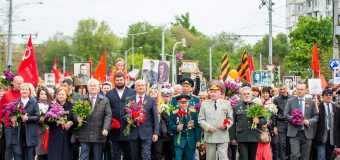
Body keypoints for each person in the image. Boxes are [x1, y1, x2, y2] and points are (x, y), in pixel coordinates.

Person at [75, 78, 112, 160]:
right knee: (84, 156)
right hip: (84, 133)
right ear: (87, 88)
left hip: (99, 133)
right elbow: (75, 112)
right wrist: (77, 118)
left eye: (94, 86)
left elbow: (108, 115)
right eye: (91, 86)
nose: (93, 87)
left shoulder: (105, 100)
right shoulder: (81, 99)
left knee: (97, 157)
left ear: (99, 87)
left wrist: (106, 128)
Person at [198, 80, 233, 160]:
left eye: (215, 92)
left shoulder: (226, 103)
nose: (212, 94)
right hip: (210, 135)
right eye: (211, 91)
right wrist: (208, 127)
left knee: (223, 157)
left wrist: (225, 125)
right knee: (211, 158)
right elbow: (201, 120)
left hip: (222, 135)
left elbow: (230, 119)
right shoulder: (204, 103)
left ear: (221, 93)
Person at [230, 87, 267, 160]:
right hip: (242, 136)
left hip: (254, 135)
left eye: (248, 94)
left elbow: (264, 120)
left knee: (252, 157)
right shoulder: (237, 107)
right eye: (244, 94)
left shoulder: (257, 106)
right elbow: (233, 124)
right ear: (242, 96)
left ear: (252, 95)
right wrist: (233, 137)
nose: (246, 95)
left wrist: (259, 121)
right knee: (243, 157)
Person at [125, 79, 159, 160]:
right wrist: (129, 118)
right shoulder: (129, 99)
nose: (140, 87)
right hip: (133, 132)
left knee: (146, 156)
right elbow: (124, 114)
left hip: (147, 133)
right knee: (134, 156)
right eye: (138, 85)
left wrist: (156, 133)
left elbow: (155, 118)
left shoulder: (151, 100)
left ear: (145, 87)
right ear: (135, 87)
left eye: (142, 85)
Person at [284, 82, 318, 160]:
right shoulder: (290, 101)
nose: (299, 91)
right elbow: (285, 115)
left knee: (305, 157)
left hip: (307, 133)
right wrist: (295, 120)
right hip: (294, 133)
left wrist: (309, 121)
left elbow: (316, 116)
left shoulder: (311, 102)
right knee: (295, 155)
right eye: (298, 89)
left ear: (306, 90)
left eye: (301, 89)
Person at [105, 72, 135, 160]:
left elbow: (136, 108)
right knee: (115, 154)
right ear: (114, 81)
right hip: (115, 130)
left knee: (129, 154)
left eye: (121, 80)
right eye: (117, 80)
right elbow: (107, 110)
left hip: (129, 129)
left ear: (124, 80)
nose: (119, 81)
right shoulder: (109, 93)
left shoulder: (132, 92)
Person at [11, 83, 40, 160]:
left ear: (29, 91)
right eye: (22, 89)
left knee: (30, 155)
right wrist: (12, 118)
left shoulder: (34, 102)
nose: (24, 91)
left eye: (26, 89)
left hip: (30, 131)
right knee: (18, 153)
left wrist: (28, 118)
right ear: (20, 91)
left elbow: (37, 116)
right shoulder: (15, 102)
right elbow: (11, 115)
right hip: (18, 130)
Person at [46, 87, 75, 160]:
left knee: (66, 156)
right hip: (55, 136)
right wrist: (56, 121)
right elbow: (46, 120)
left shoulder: (71, 106)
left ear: (67, 96)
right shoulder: (52, 105)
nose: (60, 96)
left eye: (63, 94)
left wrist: (71, 122)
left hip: (67, 137)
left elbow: (76, 120)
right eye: (59, 94)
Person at [170, 95, 201, 160]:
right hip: (179, 140)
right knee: (178, 158)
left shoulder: (193, 112)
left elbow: (197, 127)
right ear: (178, 103)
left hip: (190, 140)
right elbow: (171, 125)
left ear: (188, 102)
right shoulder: (174, 113)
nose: (184, 104)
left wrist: (198, 140)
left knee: (189, 158)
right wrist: (176, 127)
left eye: (185, 102)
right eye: (182, 102)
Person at [0, 76, 23, 160]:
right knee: (9, 146)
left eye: (21, 83)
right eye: (18, 83)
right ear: (13, 83)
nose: (20, 85)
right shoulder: (6, 94)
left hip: (21, 125)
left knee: (19, 148)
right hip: (8, 125)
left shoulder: (24, 93)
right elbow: (1, 109)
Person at [273, 84, 293, 160]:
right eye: (280, 89)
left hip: (291, 124)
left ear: (287, 89)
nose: (282, 91)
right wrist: (275, 126)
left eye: (283, 89)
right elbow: (274, 114)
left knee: (290, 144)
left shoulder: (292, 98)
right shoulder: (276, 99)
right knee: (282, 144)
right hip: (281, 123)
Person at [315, 88, 337, 160]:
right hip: (321, 136)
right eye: (326, 95)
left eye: (330, 95)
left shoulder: (336, 107)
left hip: (331, 137)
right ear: (323, 96)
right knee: (321, 156)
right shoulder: (318, 107)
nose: (328, 96)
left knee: (329, 157)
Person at [35, 86, 54, 160]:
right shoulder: (35, 104)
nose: (43, 95)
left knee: (50, 152)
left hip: (50, 130)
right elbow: (32, 115)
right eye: (41, 94)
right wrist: (39, 118)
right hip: (39, 130)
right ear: (38, 95)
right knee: (41, 152)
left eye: (45, 94)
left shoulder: (52, 104)